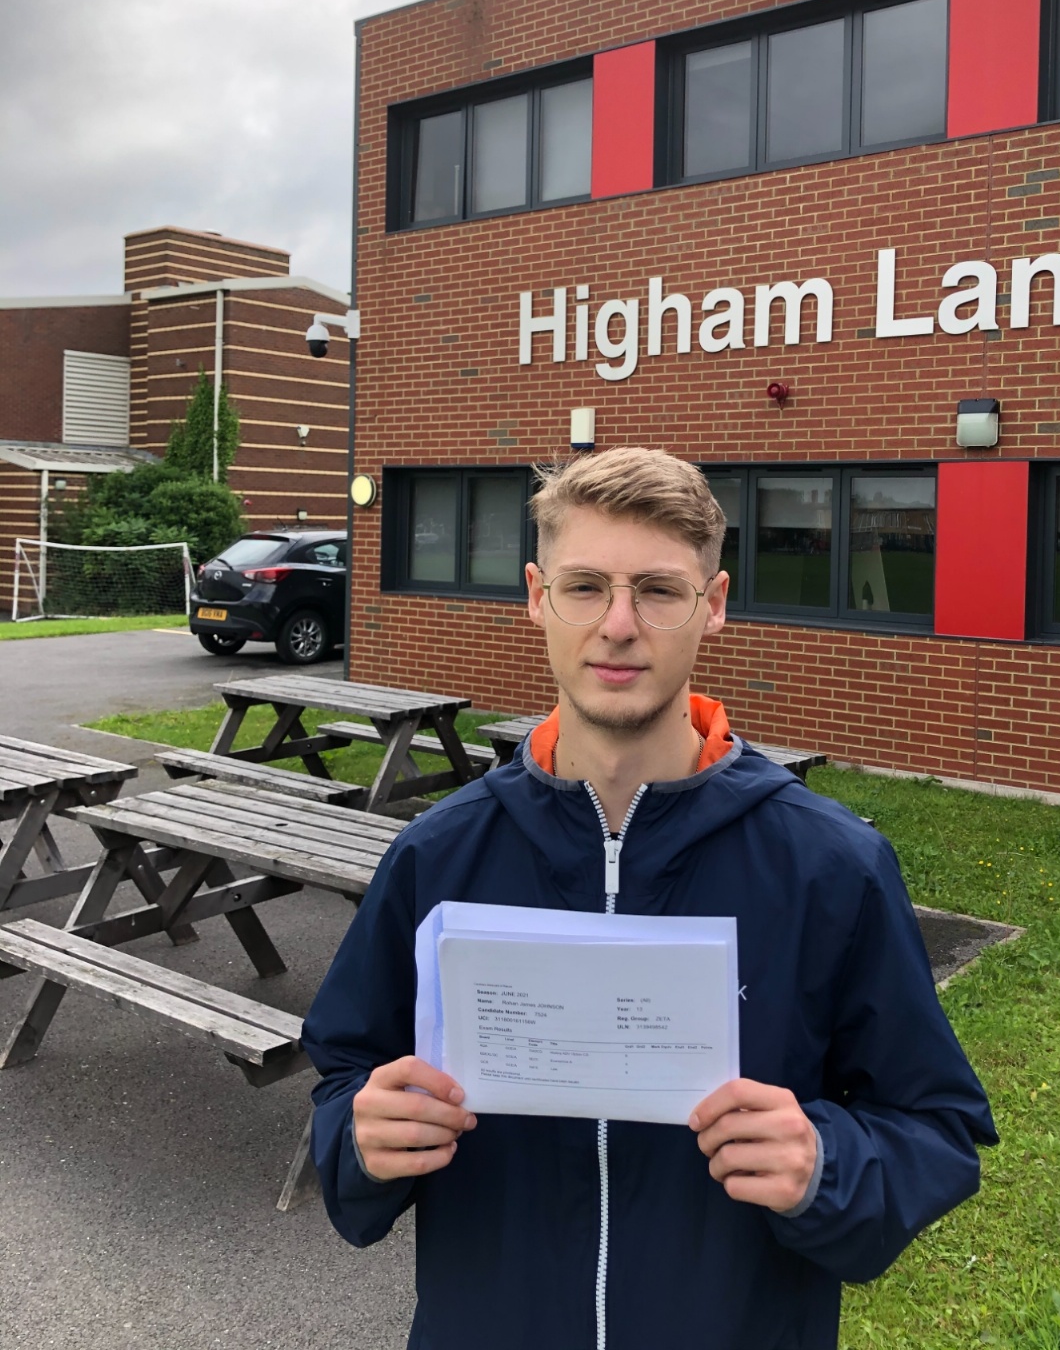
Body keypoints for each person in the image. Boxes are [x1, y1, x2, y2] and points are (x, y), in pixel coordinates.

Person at [302, 447, 997, 1350]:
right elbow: (344, 1078)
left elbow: (935, 1130)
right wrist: (362, 1140)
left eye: (660, 591)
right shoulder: (437, 858)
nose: (619, 625)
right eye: (585, 587)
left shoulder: (832, 868)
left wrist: (826, 1163)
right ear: (536, 596)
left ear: (714, 604)